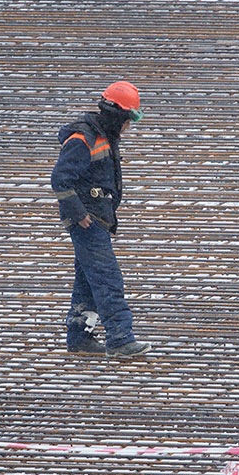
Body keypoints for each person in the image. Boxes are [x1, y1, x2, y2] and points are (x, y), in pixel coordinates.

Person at [51, 81, 150, 357]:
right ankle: (120, 338)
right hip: (87, 222)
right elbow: (60, 178)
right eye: (128, 119)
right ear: (116, 115)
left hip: (98, 220)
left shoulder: (104, 136)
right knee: (107, 279)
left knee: (87, 282)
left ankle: (79, 337)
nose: (129, 126)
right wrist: (78, 213)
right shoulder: (83, 139)